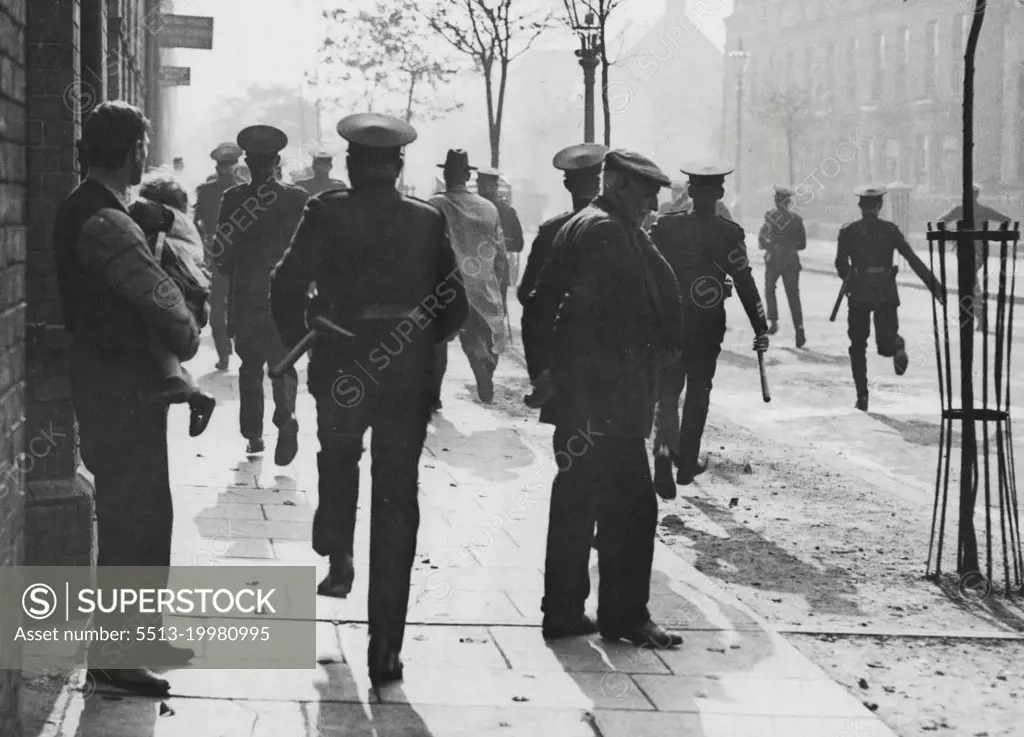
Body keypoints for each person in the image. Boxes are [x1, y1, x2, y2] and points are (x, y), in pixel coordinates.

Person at [269, 112, 468, 682]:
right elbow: (453, 307)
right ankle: (386, 649)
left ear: (353, 165)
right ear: (400, 165)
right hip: (405, 375)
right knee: (397, 499)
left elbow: (283, 282)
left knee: (336, 456)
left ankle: (337, 551)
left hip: (341, 362)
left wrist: (301, 337)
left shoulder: (326, 211)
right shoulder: (427, 220)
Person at [55, 101, 200, 696]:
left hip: (118, 383)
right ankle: (115, 655)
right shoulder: (106, 220)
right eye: (142, 141)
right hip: (120, 387)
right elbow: (163, 300)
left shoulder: (94, 208)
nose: (147, 151)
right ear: (128, 148)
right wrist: (189, 332)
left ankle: (133, 641)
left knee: (140, 513)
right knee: (133, 517)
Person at [522, 149, 684, 648]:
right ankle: (625, 616)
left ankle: (565, 610)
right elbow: (623, 316)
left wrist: (547, 372)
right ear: (616, 185)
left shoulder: (587, 224)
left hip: (583, 398)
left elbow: (538, 302)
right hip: (607, 399)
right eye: (645, 190)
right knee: (632, 508)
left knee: (576, 500)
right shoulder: (608, 233)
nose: (654, 201)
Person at [649, 161, 770, 495]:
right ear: (719, 194)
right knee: (699, 391)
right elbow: (745, 282)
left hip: (670, 325)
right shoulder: (729, 233)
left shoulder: (665, 227)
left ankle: (662, 452)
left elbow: (649, 273)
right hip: (707, 324)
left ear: (688, 192)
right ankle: (687, 460)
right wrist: (760, 326)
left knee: (668, 392)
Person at [213, 125, 308, 462]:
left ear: (248, 162)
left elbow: (221, 251)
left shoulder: (234, 199)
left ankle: (254, 436)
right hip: (288, 295)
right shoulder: (297, 198)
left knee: (250, 365)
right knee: (283, 362)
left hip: (248, 293)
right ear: (277, 160)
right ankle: (287, 417)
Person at [836, 184, 945, 411]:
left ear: (860, 206)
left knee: (857, 344)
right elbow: (912, 259)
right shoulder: (890, 230)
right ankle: (897, 346)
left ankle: (861, 395)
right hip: (884, 291)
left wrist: (848, 278)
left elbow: (840, 263)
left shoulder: (848, 231)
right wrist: (935, 287)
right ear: (880, 205)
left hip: (859, 292)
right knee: (885, 344)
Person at [129, 177, 216, 436]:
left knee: (153, 337)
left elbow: (144, 210)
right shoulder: (187, 230)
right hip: (192, 306)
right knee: (167, 362)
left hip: (176, 302)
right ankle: (194, 394)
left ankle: (183, 386)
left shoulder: (169, 220)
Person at [429, 149, 508, 407]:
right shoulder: (488, 208)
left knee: (437, 342)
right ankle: (481, 364)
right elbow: (499, 254)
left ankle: (434, 395)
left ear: (446, 174)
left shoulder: (434, 205)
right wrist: (501, 290)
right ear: (468, 175)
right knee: (478, 335)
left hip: (445, 288)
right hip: (480, 286)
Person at [517, 143, 607, 307]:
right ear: (598, 185)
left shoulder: (550, 231)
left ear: (567, 185)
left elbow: (526, 292)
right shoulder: (615, 228)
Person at [935, 183, 1011, 332]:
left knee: (971, 285)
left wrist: (951, 235)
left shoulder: (960, 210)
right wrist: (999, 232)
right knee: (971, 284)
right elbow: (1006, 220)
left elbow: (940, 222)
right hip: (978, 253)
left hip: (969, 253)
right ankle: (979, 319)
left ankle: (979, 319)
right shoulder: (979, 210)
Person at [194, 142, 243, 370]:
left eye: (229, 164)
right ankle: (225, 352)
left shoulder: (207, 190)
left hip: (223, 250)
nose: (227, 168)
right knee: (225, 303)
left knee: (223, 304)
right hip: (227, 251)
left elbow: (197, 223)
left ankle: (227, 351)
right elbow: (197, 223)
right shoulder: (245, 189)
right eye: (226, 165)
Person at [758, 184, 807, 347]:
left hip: (774, 260)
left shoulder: (769, 216)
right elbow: (802, 244)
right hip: (791, 260)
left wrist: (772, 246)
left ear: (777, 201)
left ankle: (773, 321)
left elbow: (762, 239)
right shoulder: (796, 219)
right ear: (788, 202)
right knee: (794, 296)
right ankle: (799, 327)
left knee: (769, 289)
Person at [476, 167, 523, 300]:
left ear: (495, 186)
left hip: (479, 271)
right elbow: (518, 244)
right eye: (481, 184)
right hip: (496, 271)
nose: (483, 188)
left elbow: (518, 244)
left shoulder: (471, 210)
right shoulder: (507, 211)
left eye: (486, 185)